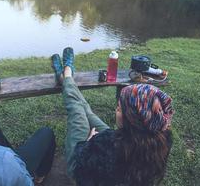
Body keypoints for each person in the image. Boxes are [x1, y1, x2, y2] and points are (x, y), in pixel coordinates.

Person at [51, 48, 174, 186]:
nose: (116, 109)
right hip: (119, 149)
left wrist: (90, 141)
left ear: (131, 121)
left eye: (120, 108)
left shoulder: (105, 144)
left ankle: (66, 74)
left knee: (77, 111)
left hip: (80, 172)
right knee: (87, 111)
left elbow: (82, 158)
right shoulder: (161, 138)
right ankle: (66, 78)